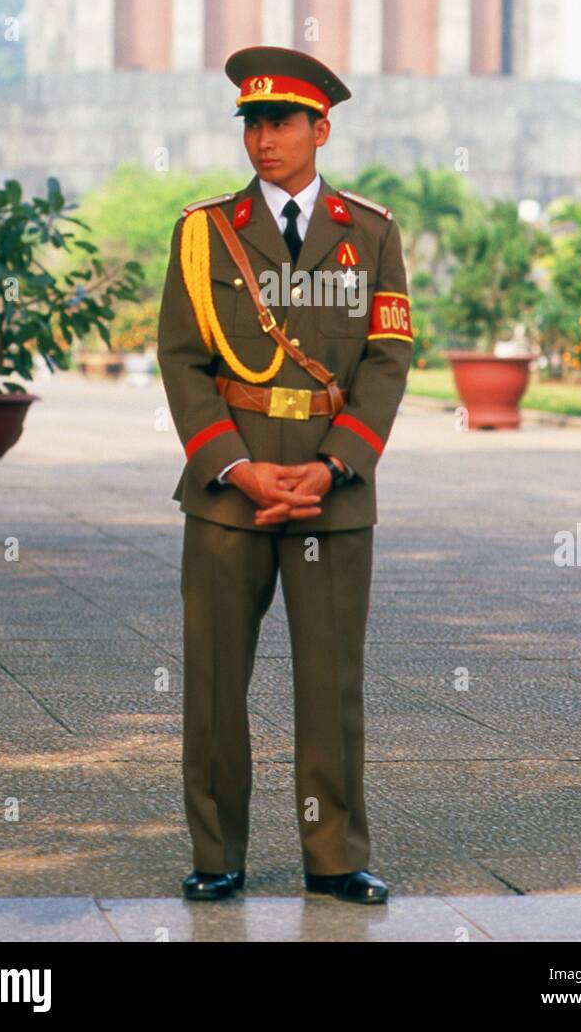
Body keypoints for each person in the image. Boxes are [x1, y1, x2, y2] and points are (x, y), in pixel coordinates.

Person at [156, 44, 412, 903]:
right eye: (251, 123)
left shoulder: (368, 233)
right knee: (216, 681)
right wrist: (237, 466)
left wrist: (336, 463)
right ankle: (217, 853)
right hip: (233, 492)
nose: (263, 139)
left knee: (331, 683)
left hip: (331, 492)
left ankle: (335, 857)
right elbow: (184, 360)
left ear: (320, 128)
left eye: (280, 123)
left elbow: (387, 358)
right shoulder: (205, 232)